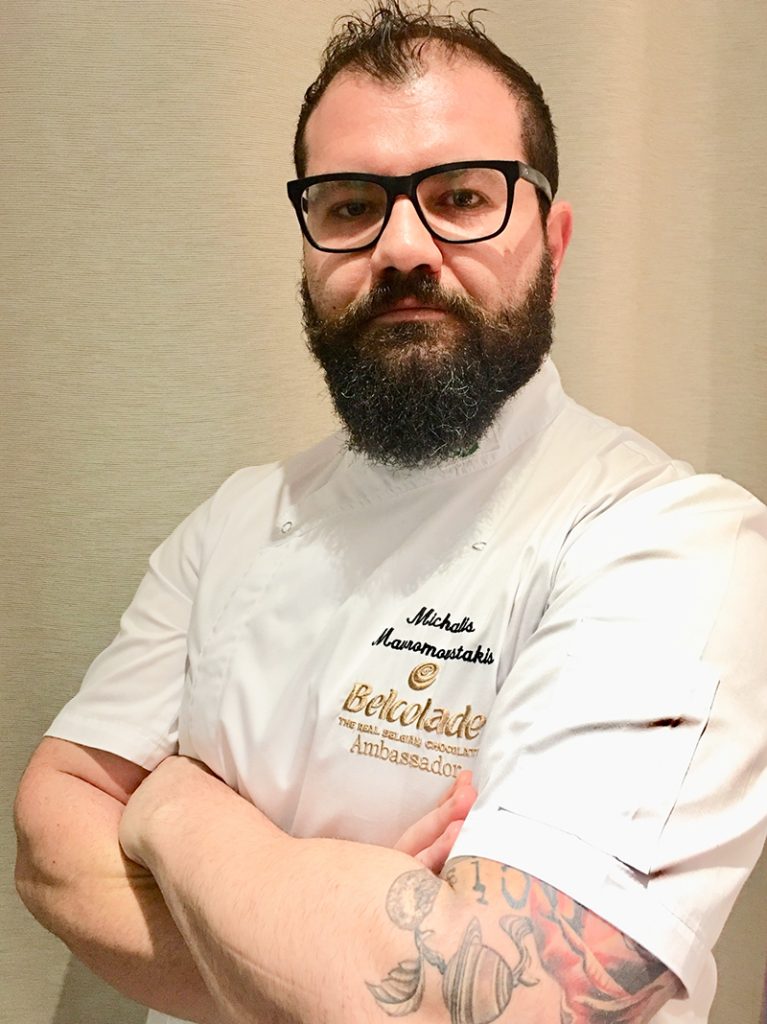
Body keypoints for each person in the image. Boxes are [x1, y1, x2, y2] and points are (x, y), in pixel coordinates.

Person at [14, 3, 767, 1023]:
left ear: (552, 242)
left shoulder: (675, 543)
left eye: (461, 196)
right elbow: (50, 839)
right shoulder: (234, 521)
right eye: (349, 206)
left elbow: (472, 1008)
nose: (402, 246)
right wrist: (323, 953)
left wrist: (173, 806)